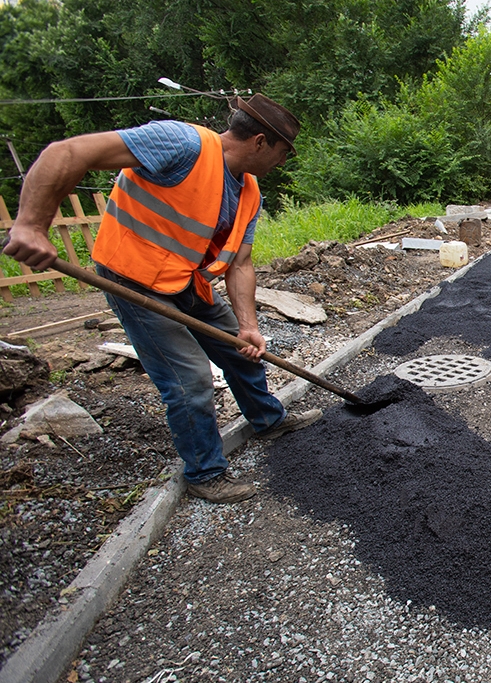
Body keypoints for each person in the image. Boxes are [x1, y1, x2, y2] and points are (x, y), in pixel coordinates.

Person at [2, 95, 322, 503]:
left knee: (243, 351)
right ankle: (205, 472)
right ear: (260, 142)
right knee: (189, 378)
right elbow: (67, 152)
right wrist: (31, 225)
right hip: (134, 281)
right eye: (282, 154)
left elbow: (240, 263)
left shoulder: (249, 192)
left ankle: (267, 420)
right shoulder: (182, 143)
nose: (281, 163)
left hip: (187, 280)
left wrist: (249, 326)